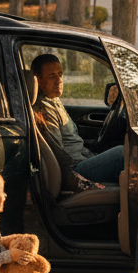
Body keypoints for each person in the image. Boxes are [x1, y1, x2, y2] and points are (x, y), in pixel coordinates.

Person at [31, 53, 124, 185]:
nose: (59, 80)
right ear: (39, 80)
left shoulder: (53, 100)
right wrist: (81, 182)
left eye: (60, 74)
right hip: (76, 169)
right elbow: (58, 155)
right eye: (52, 76)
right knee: (122, 153)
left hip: (82, 159)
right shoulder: (44, 110)